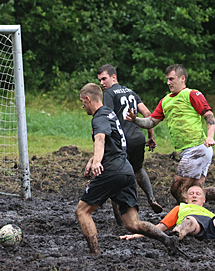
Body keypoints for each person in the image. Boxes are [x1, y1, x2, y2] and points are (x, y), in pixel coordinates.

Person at [75, 83, 179, 256]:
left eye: (82, 102)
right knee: (132, 223)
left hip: (111, 170)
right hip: (126, 170)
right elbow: (111, 143)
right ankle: (167, 240)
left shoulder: (99, 116)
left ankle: (96, 255)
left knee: (82, 211)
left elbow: (100, 139)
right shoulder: (111, 114)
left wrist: (96, 162)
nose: (82, 106)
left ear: (88, 98)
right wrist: (92, 160)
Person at [126, 64, 215, 205]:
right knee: (197, 191)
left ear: (182, 78)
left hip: (197, 148)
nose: (168, 83)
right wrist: (135, 119)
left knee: (177, 189)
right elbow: (151, 121)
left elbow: (209, 115)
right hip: (191, 150)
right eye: (167, 79)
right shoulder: (165, 101)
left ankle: (188, 216)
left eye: (171, 79)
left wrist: (210, 136)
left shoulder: (192, 94)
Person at [97, 64, 162, 224]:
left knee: (115, 175)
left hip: (122, 141)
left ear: (114, 77)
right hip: (138, 138)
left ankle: (120, 220)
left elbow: (108, 117)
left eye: (104, 78)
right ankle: (151, 198)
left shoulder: (109, 93)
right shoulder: (130, 91)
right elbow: (147, 114)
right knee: (138, 169)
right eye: (99, 80)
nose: (102, 83)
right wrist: (151, 136)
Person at [120, 185, 215, 241]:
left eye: (198, 194)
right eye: (191, 194)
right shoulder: (180, 208)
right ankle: (175, 238)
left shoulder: (209, 212)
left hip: (213, 225)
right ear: (186, 199)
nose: (194, 196)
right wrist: (137, 235)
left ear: (204, 200)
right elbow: (160, 228)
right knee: (189, 221)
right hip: (193, 224)